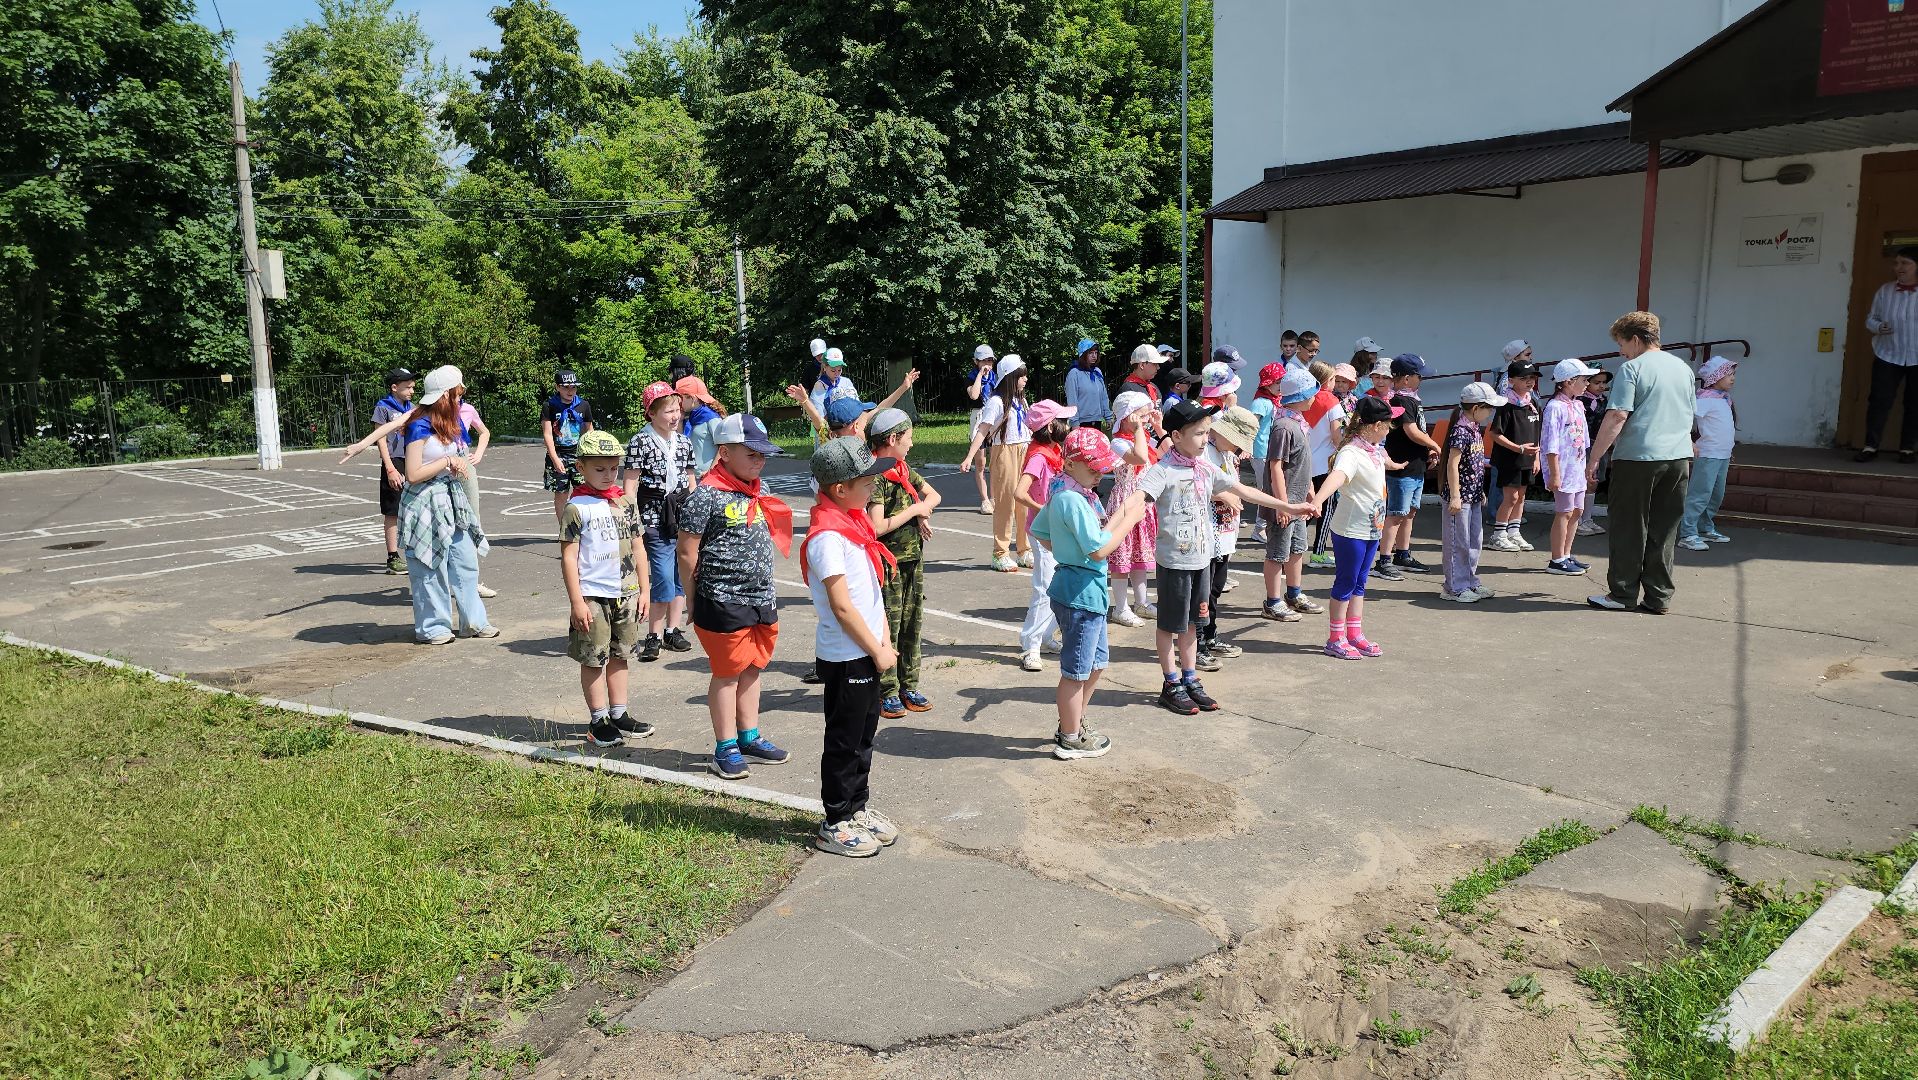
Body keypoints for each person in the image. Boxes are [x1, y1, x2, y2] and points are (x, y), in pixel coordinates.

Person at [1139, 400, 1311, 715]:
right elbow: (1136, 504)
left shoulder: (1204, 467)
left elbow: (1244, 491)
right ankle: (1170, 682)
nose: (1206, 439)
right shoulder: (1162, 470)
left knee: (1193, 624)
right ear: (1176, 436)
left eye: (1207, 432)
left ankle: (1189, 678)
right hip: (1175, 563)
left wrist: (1288, 507)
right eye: (1199, 433)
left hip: (1201, 561)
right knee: (1169, 626)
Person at [801, 436, 901, 858]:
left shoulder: (854, 526)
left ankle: (857, 807)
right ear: (840, 489)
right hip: (846, 655)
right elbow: (842, 606)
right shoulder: (828, 537)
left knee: (865, 733)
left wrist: (885, 639)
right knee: (844, 739)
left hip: (868, 648)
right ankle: (835, 819)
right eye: (867, 481)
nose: (875, 486)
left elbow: (871, 593)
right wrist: (877, 650)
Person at [678, 413, 793, 778]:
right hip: (722, 598)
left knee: (753, 668)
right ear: (724, 453)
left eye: (763, 455)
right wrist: (692, 599)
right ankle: (724, 746)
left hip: (760, 598)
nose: (760, 461)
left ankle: (749, 737)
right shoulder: (705, 496)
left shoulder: (757, 490)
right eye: (752, 454)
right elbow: (686, 552)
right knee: (727, 673)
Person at [1029, 428, 1148, 761]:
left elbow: (1040, 530)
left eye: (1102, 468)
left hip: (1084, 592)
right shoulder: (1072, 498)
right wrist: (1129, 519)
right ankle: (1069, 737)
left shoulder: (1069, 491)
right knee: (1076, 671)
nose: (1100, 474)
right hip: (1079, 594)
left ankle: (1074, 723)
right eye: (1093, 468)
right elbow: (1097, 550)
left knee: (1095, 663)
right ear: (1069, 464)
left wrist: (1120, 515)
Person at [1586, 311, 1696, 614]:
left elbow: (1617, 415)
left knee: (1629, 527)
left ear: (1635, 339)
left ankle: (1622, 593)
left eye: (1622, 343)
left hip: (1638, 457)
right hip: (1677, 456)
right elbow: (1689, 413)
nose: (1621, 351)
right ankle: (1658, 596)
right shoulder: (1682, 368)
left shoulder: (1632, 368)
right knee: (1665, 527)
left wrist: (1594, 458)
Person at [561, 430, 651, 747]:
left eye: (613, 468)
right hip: (592, 595)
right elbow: (569, 557)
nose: (608, 475)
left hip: (626, 592)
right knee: (594, 658)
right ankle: (598, 719)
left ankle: (619, 713)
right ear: (581, 467)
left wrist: (645, 590)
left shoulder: (625, 502)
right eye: (599, 469)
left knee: (621, 655)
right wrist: (577, 601)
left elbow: (639, 548)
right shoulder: (576, 507)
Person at [398, 366, 497, 645]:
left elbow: (463, 453)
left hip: (452, 499)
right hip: (424, 502)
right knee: (428, 565)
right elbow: (413, 474)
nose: (461, 396)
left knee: (464, 560)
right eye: (458, 391)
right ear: (445, 395)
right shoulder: (419, 425)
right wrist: (445, 462)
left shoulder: (451, 423)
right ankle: (433, 627)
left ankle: (474, 623)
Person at [1309, 396, 1400, 659]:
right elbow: (1338, 477)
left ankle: (1354, 634)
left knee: (1360, 583)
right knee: (1346, 582)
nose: (1389, 428)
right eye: (1387, 424)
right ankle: (1335, 638)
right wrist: (1317, 500)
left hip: (1372, 528)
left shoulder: (1373, 449)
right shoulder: (1351, 452)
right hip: (1351, 530)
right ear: (1373, 426)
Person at [867, 409, 941, 718]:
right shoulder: (876, 477)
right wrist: (914, 512)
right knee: (890, 627)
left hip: (913, 560)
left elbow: (933, 495)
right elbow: (877, 526)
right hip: (889, 564)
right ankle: (886, 689)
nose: (911, 444)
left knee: (913, 624)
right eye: (908, 438)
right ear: (892, 439)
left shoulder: (902, 469)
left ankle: (909, 685)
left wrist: (923, 509)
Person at [623, 382, 696, 662]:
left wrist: (697, 512)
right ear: (651, 413)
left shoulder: (684, 442)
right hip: (652, 516)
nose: (675, 416)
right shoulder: (640, 441)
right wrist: (631, 522)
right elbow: (630, 486)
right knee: (663, 577)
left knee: (680, 576)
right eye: (668, 411)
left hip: (681, 515)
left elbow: (690, 480)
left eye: (677, 409)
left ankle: (671, 630)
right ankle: (652, 635)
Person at [1196, 405, 1262, 666]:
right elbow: (1199, 485)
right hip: (1206, 532)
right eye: (1235, 440)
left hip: (1224, 534)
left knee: (1216, 587)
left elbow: (1235, 485)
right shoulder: (1205, 452)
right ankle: (1198, 642)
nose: (1237, 447)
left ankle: (1210, 635)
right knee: (1203, 593)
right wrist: (1224, 495)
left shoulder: (1224, 454)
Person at [1014, 401, 1076, 671]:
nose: (1069, 424)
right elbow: (1020, 493)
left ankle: (1046, 634)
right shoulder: (1038, 457)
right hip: (1044, 530)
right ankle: (1031, 645)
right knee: (1045, 587)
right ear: (1051, 426)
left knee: (1061, 585)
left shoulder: (1054, 451)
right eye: (1063, 420)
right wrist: (1047, 510)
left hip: (1058, 528)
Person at [959, 355, 1033, 571]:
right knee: (1005, 504)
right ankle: (1000, 552)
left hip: (1023, 449)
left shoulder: (1020, 400)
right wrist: (969, 457)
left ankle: (1023, 550)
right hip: (1005, 451)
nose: (1025, 380)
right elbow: (982, 431)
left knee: (1023, 503)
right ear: (1010, 377)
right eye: (1021, 376)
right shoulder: (996, 401)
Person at [1262, 368, 1325, 621]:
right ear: (1301, 396)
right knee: (1277, 553)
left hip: (1298, 502)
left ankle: (1294, 593)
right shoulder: (1285, 427)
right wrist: (1282, 505)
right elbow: (1275, 465)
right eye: (1312, 394)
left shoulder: (1297, 423)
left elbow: (1301, 464)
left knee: (1297, 548)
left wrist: (1309, 489)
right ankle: (1272, 601)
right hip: (1285, 503)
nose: (1314, 399)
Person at [1377, 354, 1440, 580]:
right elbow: (1411, 431)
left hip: (1415, 466)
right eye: (1418, 376)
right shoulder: (1401, 401)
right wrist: (1435, 444)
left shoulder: (1412, 400)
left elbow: (1419, 432)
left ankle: (1403, 554)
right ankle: (1384, 560)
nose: (1421, 379)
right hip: (1401, 468)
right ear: (1405, 379)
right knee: (1396, 514)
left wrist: (1429, 450)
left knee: (1409, 513)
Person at [1440, 382, 1505, 603]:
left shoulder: (1474, 429)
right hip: (1460, 499)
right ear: (1476, 408)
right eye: (1489, 408)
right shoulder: (1461, 430)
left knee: (1474, 541)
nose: (1492, 413)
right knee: (1457, 543)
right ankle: (1454, 587)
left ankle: (1469, 581)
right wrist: (1456, 495)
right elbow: (1452, 464)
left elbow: (1475, 465)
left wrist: (1480, 491)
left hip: (1474, 495)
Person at [1105, 390, 1160, 626]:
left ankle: (1141, 601)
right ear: (1128, 417)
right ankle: (1120, 606)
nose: (1146, 420)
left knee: (1140, 554)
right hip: (1126, 502)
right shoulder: (1118, 441)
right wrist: (1139, 431)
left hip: (1143, 502)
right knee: (1123, 555)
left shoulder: (1144, 438)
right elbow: (1138, 458)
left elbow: (1167, 453)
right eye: (1143, 416)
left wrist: (1157, 428)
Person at [1858, 246, 1918, 463]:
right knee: (1879, 401)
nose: (1898, 268)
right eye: (1897, 263)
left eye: (1905, 263)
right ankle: (1870, 446)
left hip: (1917, 356)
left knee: (1914, 403)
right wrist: (1878, 326)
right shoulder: (1885, 290)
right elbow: (1870, 319)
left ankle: (1907, 449)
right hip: (1888, 354)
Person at [1540, 358, 1599, 575]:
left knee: (1577, 511)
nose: (1587, 383)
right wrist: (1554, 473)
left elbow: (1584, 440)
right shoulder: (1555, 408)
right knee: (1564, 512)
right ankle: (1557, 559)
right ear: (1568, 381)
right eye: (1584, 379)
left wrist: (1588, 465)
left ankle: (1566, 553)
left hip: (1577, 468)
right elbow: (1550, 443)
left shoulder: (1577, 404)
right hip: (1563, 469)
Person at [1680, 356, 1739, 550]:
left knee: (1716, 494)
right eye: (1728, 374)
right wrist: (1689, 441)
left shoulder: (1723, 400)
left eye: (1733, 374)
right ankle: (1687, 533)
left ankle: (1705, 527)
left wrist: (1728, 450)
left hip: (1722, 455)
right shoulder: (1705, 399)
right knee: (1700, 494)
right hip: (1708, 455)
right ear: (1716, 377)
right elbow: (1684, 417)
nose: (1733, 378)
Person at [1488, 359, 1542, 553]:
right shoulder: (1506, 404)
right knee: (1510, 498)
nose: (1529, 382)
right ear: (1511, 380)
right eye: (1524, 378)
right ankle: (1498, 535)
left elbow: (1537, 432)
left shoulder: (1533, 402)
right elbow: (1495, 433)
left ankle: (1514, 532)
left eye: (1532, 378)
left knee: (1521, 497)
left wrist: (1536, 458)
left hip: (1528, 459)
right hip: (1509, 459)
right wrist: (1518, 448)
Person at [1304, 360, 1350, 569]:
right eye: (1332, 379)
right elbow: (1335, 435)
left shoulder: (1304, 398)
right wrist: (1345, 448)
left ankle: (1290, 547)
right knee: (1326, 508)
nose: (1334, 383)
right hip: (1325, 463)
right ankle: (1319, 553)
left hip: (1304, 461)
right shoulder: (1332, 402)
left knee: (1304, 507)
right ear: (1326, 380)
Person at [371, 368, 415, 574]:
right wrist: (389, 468)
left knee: (414, 506)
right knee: (393, 510)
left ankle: (415, 551)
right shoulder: (383, 407)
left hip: (411, 459)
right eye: (407, 387)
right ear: (394, 387)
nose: (411, 391)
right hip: (394, 461)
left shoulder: (412, 408)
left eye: (413, 387)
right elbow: (380, 438)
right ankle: (393, 557)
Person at [541, 371, 595, 522]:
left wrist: (590, 455)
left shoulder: (583, 405)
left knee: (584, 491)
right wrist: (555, 458)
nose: (570, 391)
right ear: (557, 387)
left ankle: (584, 525)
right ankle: (563, 528)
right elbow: (547, 434)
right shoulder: (549, 405)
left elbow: (589, 431)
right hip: (558, 455)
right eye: (566, 387)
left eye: (573, 387)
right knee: (561, 493)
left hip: (579, 455)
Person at [1245, 362, 1283, 545]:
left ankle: (1262, 527)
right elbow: (1252, 425)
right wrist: (1245, 446)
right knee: (1264, 490)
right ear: (1267, 384)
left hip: (1268, 451)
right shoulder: (1261, 402)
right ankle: (1259, 529)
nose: (1280, 386)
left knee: (1268, 489)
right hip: (1260, 451)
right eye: (1278, 382)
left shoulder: (1272, 400)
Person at [1578, 368, 1613, 536]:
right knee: (1584, 480)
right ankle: (1577, 520)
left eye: (1604, 383)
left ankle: (1587, 518)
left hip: (1600, 444)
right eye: (1596, 382)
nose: (1601, 386)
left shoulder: (1604, 401)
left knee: (1594, 481)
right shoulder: (1580, 401)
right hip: (1585, 445)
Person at [967, 344, 999, 514]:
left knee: (994, 462)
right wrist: (980, 375)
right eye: (984, 360)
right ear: (976, 362)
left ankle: (994, 498)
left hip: (993, 418)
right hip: (979, 417)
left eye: (990, 360)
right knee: (981, 463)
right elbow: (974, 395)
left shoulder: (996, 377)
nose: (988, 364)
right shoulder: (972, 377)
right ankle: (985, 500)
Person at [677, 376, 727, 474]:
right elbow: (680, 442)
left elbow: (724, 447)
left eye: (680, 398)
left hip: (708, 477)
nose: (678, 402)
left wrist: (711, 472)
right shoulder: (688, 417)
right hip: (691, 476)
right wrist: (679, 421)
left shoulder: (711, 418)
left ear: (691, 398)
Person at [1065, 337, 1111, 429]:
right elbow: (1072, 400)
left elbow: (1104, 397)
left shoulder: (1097, 372)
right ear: (1083, 354)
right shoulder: (1074, 373)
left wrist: (1108, 417)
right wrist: (1074, 423)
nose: (1094, 356)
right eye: (1091, 353)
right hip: (1081, 423)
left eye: (1096, 353)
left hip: (1097, 421)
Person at [809, 347, 860, 417]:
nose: (837, 374)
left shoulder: (846, 382)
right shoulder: (819, 387)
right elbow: (819, 417)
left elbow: (856, 404)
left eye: (839, 370)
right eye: (833, 370)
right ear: (824, 367)